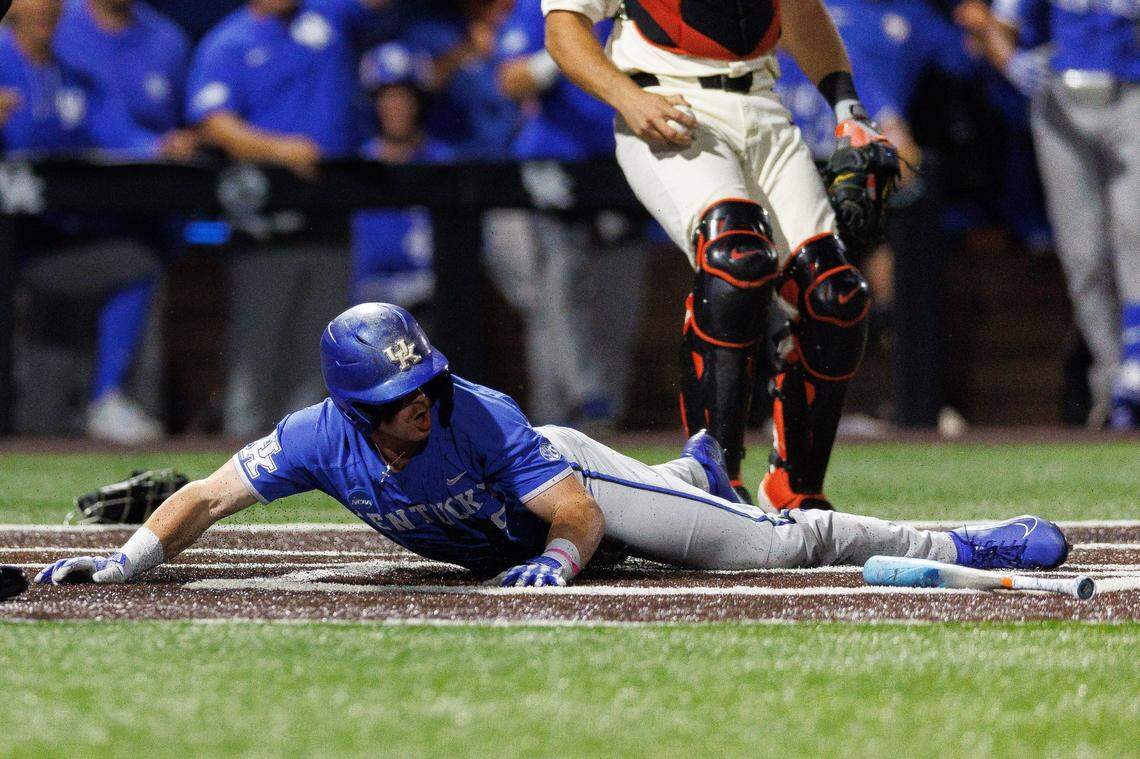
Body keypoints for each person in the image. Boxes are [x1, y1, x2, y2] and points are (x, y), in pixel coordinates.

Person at [34, 303, 1071, 588]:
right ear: (352, 411)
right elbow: (208, 495)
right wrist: (128, 564)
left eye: (423, 382)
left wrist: (554, 565)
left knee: (774, 547)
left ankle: (961, 539)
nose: (420, 404)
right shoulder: (315, 439)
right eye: (399, 396)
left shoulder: (475, 412)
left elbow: (575, 513)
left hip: (571, 490)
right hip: (519, 524)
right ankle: (688, 471)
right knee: (667, 521)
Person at [541, 0, 900, 508]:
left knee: (835, 294)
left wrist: (847, 104)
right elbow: (563, 28)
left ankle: (795, 487)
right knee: (735, 260)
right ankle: (713, 478)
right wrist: (627, 98)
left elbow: (801, 12)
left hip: (763, 106)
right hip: (667, 99)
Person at [185, 0, 392, 437]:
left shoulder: (328, 16)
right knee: (257, 359)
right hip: (266, 221)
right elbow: (213, 123)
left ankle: (310, 463)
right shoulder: (230, 40)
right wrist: (280, 150)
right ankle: (239, 465)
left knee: (324, 358)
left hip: (332, 214)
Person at [955, 0, 1140, 429]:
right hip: (1062, 106)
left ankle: (1135, 364)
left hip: (1131, 96)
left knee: (1135, 231)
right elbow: (994, 24)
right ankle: (1114, 379)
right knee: (1083, 254)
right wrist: (1013, 63)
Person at [0, 0, 165, 443]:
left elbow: (118, 134)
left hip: (45, 242)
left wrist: (163, 146)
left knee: (134, 260)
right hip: (15, 243)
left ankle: (105, 398)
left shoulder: (66, 76)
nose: (44, 8)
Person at [489, 0, 646, 428]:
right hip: (559, 166)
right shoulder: (537, 8)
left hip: (626, 160)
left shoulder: (638, 7)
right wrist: (563, 51)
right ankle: (567, 412)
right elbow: (510, 79)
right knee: (557, 297)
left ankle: (605, 418)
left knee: (619, 299)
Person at [351, 41, 455, 314]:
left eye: (405, 96)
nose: (396, 107)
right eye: (387, 97)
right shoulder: (357, 168)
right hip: (367, 310)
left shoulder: (443, 160)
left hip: (434, 304)